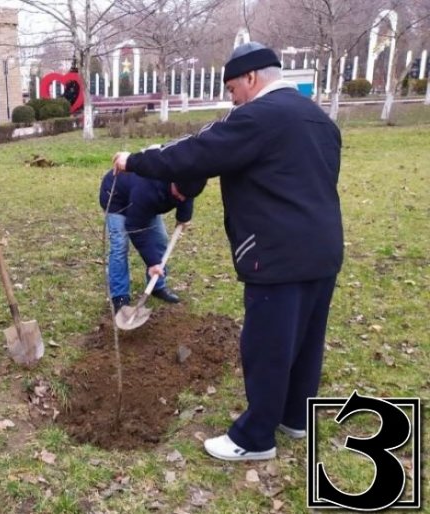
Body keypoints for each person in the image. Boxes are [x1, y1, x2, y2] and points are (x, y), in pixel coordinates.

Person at [113, 42, 343, 461]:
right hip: (324, 247)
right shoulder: (319, 119)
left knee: (268, 343)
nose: (231, 98)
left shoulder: (257, 116)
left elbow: (194, 152)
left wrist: (134, 160)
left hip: (276, 252)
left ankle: (255, 438)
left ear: (252, 78)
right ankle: (295, 417)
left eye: (232, 87)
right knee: (306, 338)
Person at [98, 169, 207, 310]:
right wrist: (153, 262)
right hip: (117, 199)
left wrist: (183, 217)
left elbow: (187, 195)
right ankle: (120, 296)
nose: (180, 198)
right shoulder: (147, 189)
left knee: (160, 240)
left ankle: (157, 286)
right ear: (173, 181)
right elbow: (134, 227)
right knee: (120, 246)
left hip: (143, 202)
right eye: (179, 194)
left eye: (185, 196)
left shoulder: (186, 179)